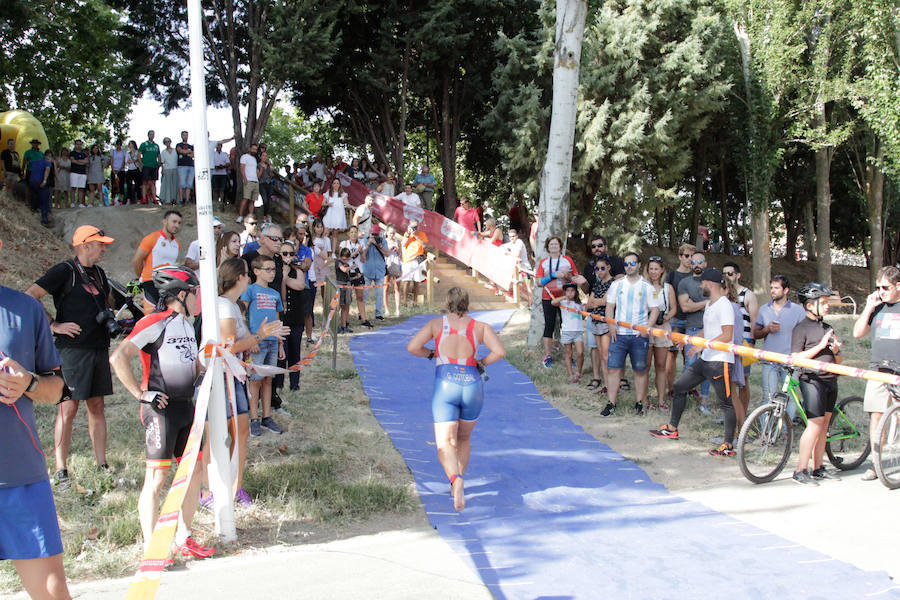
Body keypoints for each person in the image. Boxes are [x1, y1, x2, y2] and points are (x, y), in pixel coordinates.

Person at [108, 266, 214, 559]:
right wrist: (141, 394)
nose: (197, 299)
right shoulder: (153, 322)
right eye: (194, 293)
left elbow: (189, 364)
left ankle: (184, 537)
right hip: (160, 410)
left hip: (186, 407)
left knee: (192, 473)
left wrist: (204, 367)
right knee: (156, 479)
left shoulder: (187, 325)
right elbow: (118, 357)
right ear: (180, 294)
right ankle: (152, 547)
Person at [0, 218, 72, 599]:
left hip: (20, 475)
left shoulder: (25, 310)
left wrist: (27, 383)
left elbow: (58, 389)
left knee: (52, 590)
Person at [25, 225, 116, 488]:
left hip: (98, 347)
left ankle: (102, 464)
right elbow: (31, 296)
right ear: (85, 245)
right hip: (72, 351)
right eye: (100, 244)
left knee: (96, 406)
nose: (104, 249)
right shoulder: (64, 271)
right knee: (68, 407)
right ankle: (60, 469)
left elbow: (106, 301)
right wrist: (53, 325)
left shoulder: (99, 273)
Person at [406, 287, 506, 511]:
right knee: (463, 439)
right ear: (467, 303)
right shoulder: (480, 327)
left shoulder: (436, 324)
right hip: (472, 384)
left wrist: (431, 354)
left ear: (447, 302)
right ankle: (457, 480)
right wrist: (482, 362)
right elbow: (500, 352)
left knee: (445, 442)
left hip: (446, 383)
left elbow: (413, 347)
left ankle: (455, 479)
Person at [215, 258, 287, 503]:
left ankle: (235, 488)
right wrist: (260, 335)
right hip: (223, 378)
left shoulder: (232, 306)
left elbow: (243, 339)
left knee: (241, 434)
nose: (249, 278)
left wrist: (268, 335)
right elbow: (228, 347)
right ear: (240, 278)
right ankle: (217, 490)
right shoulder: (225, 307)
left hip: (234, 376)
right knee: (224, 435)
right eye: (247, 274)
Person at [651, 268, 736, 458]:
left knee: (726, 403)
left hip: (720, 361)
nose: (700, 286)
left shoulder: (724, 305)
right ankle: (672, 428)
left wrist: (702, 345)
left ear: (710, 284)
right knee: (680, 387)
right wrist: (691, 340)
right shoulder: (710, 304)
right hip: (706, 359)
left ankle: (728, 445)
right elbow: (708, 330)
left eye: (702, 283)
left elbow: (727, 334)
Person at [790, 283, 843, 485]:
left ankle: (818, 467)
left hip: (830, 380)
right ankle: (800, 470)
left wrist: (836, 351)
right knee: (814, 425)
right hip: (812, 380)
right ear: (810, 305)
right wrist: (820, 346)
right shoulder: (801, 328)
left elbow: (839, 361)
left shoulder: (828, 328)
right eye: (824, 302)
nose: (828, 305)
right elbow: (796, 357)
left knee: (824, 426)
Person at [853, 265, 900, 481]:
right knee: (876, 416)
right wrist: (868, 308)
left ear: (898, 286)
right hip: (878, 368)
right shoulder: (877, 307)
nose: (881, 291)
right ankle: (876, 463)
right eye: (878, 287)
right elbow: (858, 333)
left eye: (885, 287)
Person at [600, 252, 660, 416]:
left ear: (639, 265)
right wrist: (611, 326)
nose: (629, 267)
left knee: (640, 370)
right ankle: (611, 403)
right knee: (613, 369)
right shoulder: (616, 285)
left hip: (638, 337)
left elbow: (655, 310)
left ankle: (639, 403)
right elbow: (609, 307)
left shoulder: (647, 287)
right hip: (618, 335)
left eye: (632, 263)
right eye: (626, 264)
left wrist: (647, 328)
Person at [240, 255, 286, 436]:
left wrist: (280, 343)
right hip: (257, 341)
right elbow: (242, 316)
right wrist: (250, 339)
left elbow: (277, 320)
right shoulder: (250, 290)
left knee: (268, 380)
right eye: (268, 269)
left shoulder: (275, 294)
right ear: (256, 271)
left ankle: (267, 417)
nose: (272, 273)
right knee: (255, 380)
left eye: (274, 269)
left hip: (273, 342)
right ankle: (254, 418)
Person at [752, 274, 806, 418]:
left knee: (790, 398)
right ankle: (766, 429)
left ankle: (786, 429)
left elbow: (805, 335)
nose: (773, 291)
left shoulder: (798, 311)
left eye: (776, 288)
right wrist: (767, 329)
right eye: (771, 288)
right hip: (769, 361)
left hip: (790, 362)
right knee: (768, 397)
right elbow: (755, 334)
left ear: (786, 290)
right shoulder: (764, 309)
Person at [535, 236, 582, 369]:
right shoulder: (544, 262)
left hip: (566, 298)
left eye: (556, 244)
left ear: (560, 246)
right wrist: (552, 275)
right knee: (549, 325)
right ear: (547, 247)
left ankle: (569, 355)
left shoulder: (567, 260)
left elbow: (575, 278)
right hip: (548, 297)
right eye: (551, 244)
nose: (554, 246)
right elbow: (539, 283)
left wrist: (568, 276)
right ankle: (548, 356)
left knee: (566, 326)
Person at [723, 261, 758, 425]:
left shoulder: (748, 294)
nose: (727, 276)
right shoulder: (723, 295)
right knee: (730, 382)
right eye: (724, 274)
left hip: (744, 342)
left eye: (730, 273)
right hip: (727, 342)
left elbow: (754, 320)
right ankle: (734, 416)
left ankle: (742, 418)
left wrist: (752, 343)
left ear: (738, 275)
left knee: (743, 381)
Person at [677, 251, 711, 415]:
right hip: (692, 328)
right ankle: (681, 398)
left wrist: (694, 304)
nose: (696, 264)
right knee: (690, 365)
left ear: (705, 264)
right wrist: (707, 303)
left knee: (707, 366)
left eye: (700, 261)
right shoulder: (685, 283)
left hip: (711, 330)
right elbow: (685, 307)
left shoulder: (712, 282)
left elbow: (717, 303)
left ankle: (704, 401)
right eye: (693, 262)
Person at [133, 210, 183, 312]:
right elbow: (137, 260)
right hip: (151, 282)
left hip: (168, 284)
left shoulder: (177, 244)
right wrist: (141, 277)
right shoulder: (152, 238)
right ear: (164, 221)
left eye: (179, 223)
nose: (177, 225)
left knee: (168, 316)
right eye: (174, 221)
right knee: (152, 316)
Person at [645, 256, 676, 411]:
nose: (653, 272)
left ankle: (661, 399)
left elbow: (674, 308)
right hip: (646, 326)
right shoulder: (643, 286)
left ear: (662, 270)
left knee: (661, 365)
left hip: (662, 327)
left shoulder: (668, 288)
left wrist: (665, 318)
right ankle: (644, 399)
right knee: (645, 365)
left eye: (656, 269)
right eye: (651, 269)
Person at [665, 244, 696, 394]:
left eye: (692, 256)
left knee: (690, 355)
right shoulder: (671, 276)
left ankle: (689, 387)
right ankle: (671, 388)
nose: (689, 259)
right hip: (675, 320)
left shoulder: (696, 276)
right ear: (680, 257)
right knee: (671, 355)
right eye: (686, 256)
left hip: (692, 321)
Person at [551, 283, 586, 384]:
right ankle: (571, 375)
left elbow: (583, 317)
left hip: (578, 331)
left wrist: (584, 309)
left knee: (580, 353)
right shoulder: (563, 303)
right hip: (567, 331)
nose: (570, 293)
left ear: (576, 292)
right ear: (565, 292)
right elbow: (553, 302)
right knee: (568, 353)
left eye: (572, 291)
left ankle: (578, 372)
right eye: (568, 291)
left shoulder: (579, 304)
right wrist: (564, 297)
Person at [339, 225, 373, 328]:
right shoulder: (344, 244)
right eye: (352, 232)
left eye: (355, 232)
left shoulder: (361, 244)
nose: (354, 234)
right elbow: (342, 258)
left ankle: (364, 319)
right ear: (348, 234)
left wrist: (362, 252)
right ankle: (345, 321)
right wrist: (355, 252)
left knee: (360, 297)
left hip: (358, 272)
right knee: (347, 299)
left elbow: (363, 260)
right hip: (347, 273)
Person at [400, 219, 429, 307]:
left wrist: (416, 236)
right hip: (408, 260)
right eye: (413, 227)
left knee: (417, 282)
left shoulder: (422, 234)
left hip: (418, 260)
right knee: (406, 281)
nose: (414, 228)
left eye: (416, 227)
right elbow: (403, 244)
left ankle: (415, 302)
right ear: (409, 227)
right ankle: (404, 302)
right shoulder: (406, 234)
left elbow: (424, 246)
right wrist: (408, 234)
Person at [363, 224, 388, 321]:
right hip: (367, 270)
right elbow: (362, 255)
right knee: (365, 293)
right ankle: (361, 313)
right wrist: (368, 244)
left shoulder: (383, 241)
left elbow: (387, 253)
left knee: (379, 293)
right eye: (373, 235)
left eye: (376, 235)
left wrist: (379, 245)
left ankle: (378, 314)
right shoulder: (365, 240)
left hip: (380, 271)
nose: (374, 237)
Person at [28, 149, 55, 225]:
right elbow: (47, 170)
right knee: (44, 201)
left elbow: (29, 162)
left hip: (32, 182)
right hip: (40, 182)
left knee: (34, 197)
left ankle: (33, 211)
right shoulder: (47, 163)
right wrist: (45, 180)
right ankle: (44, 219)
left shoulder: (35, 161)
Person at [236, 143, 259, 223]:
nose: (254, 151)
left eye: (256, 149)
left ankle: (250, 217)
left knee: (252, 200)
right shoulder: (244, 157)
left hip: (255, 181)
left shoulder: (254, 159)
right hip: (248, 180)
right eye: (253, 149)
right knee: (246, 198)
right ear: (249, 149)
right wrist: (245, 179)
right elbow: (242, 168)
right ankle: (240, 216)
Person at [139, 130, 161, 203]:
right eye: (151, 134)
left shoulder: (156, 145)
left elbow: (159, 155)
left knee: (153, 182)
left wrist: (159, 163)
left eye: (153, 134)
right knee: (144, 182)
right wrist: (141, 163)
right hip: (146, 165)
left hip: (154, 165)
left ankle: (154, 198)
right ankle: (144, 198)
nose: (152, 136)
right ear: (148, 135)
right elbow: (139, 154)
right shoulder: (144, 144)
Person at [175, 131, 195, 205]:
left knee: (189, 184)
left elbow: (193, 154)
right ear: (181, 136)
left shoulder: (191, 146)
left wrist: (186, 152)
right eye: (184, 135)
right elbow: (180, 151)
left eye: (186, 135)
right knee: (182, 184)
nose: (185, 136)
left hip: (191, 166)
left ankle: (187, 200)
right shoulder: (179, 145)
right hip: (182, 166)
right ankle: (181, 200)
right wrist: (188, 152)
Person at [69, 139, 88, 207]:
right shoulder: (72, 153)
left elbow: (86, 161)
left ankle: (80, 203)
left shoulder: (84, 154)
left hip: (82, 173)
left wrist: (77, 161)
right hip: (74, 172)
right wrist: (81, 162)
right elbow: (72, 161)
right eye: (77, 144)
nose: (78, 146)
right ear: (75, 145)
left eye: (80, 144)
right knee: (73, 188)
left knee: (81, 188)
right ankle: (72, 203)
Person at [124, 141, 142, 205]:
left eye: (131, 144)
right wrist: (132, 160)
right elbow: (126, 161)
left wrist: (134, 160)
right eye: (129, 144)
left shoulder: (137, 152)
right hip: (130, 170)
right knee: (129, 185)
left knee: (138, 185)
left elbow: (139, 159)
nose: (130, 145)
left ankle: (139, 199)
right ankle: (129, 199)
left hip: (136, 169)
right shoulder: (127, 153)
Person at [258, 150, 274, 220]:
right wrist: (261, 170)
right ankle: (264, 215)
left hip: (269, 183)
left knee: (269, 199)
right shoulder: (258, 165)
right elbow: (258, 176)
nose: (264, 157)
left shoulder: (268, 165)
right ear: (260, 157)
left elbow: (271, 176)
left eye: (266, 156)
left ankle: (266, 214)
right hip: (262, 183)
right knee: (265, 199)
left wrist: (270, 168)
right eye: (263, 156)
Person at [109, 140, 127, 205]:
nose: (118, 146)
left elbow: (124, 162)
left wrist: (119, 169)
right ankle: (113, 200)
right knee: (113, 185)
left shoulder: (124, 152)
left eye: (120, 144)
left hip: (121, 170)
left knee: (121, 185)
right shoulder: (113, 152)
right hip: (114, 170)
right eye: (117, 144)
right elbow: (111, 161)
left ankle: (121, 199)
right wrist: (113, 169)